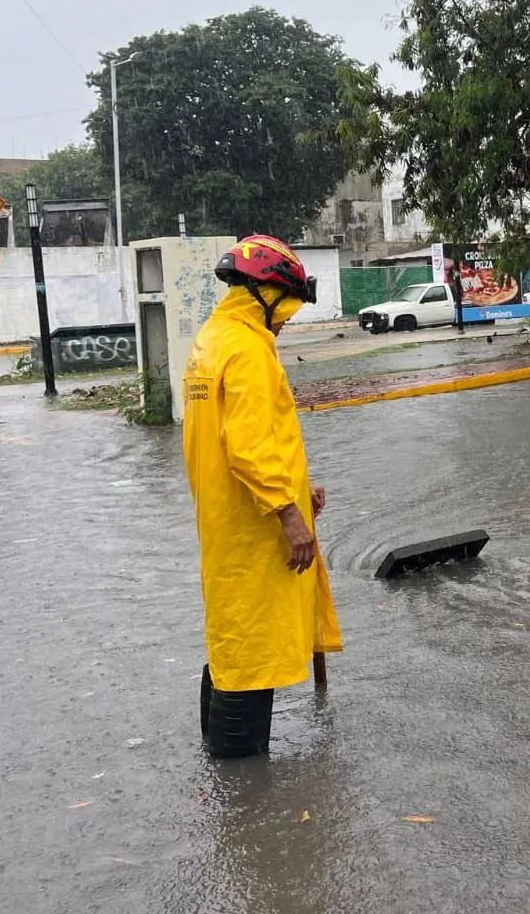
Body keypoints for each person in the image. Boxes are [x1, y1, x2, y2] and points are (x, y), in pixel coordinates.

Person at [183, 234, 343, 758]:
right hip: (256, 529)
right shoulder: (248, 350)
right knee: (251, 649)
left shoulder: (213, 338)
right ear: (263, 294)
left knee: (232, 640)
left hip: (225, 520)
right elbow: (249, 447)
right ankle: (240, 778)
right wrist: (288, 514)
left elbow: (235, 436)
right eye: (288, 306)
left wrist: (298, 489)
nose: (289, 318)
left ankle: (222, 776)